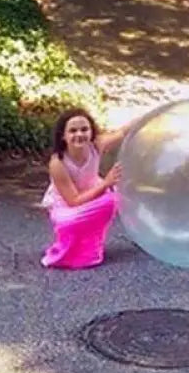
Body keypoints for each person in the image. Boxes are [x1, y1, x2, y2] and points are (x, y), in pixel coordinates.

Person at [40, 107, 130, 269]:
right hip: (67, 207)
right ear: (63, 136)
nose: (79, 134)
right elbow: (73, 201)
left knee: (111, 200)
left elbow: (123, 132)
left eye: (84, 129)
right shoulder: (58, 163)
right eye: (73, 131)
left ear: (91, 132)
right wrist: (106, 183)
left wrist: (152, 115)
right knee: (69, 222)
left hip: (93, 196)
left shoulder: (97, 146)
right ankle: (67, 251)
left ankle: (91, 248)